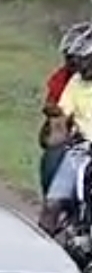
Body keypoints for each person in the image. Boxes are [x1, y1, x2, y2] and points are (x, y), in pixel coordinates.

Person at [39, 27, 92, 233]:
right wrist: (56, 136)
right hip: (82, 151)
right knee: (52, 206)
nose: (79, 66)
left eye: (84, 60)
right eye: (77, 60)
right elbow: (62, 114)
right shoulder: (75, 82)